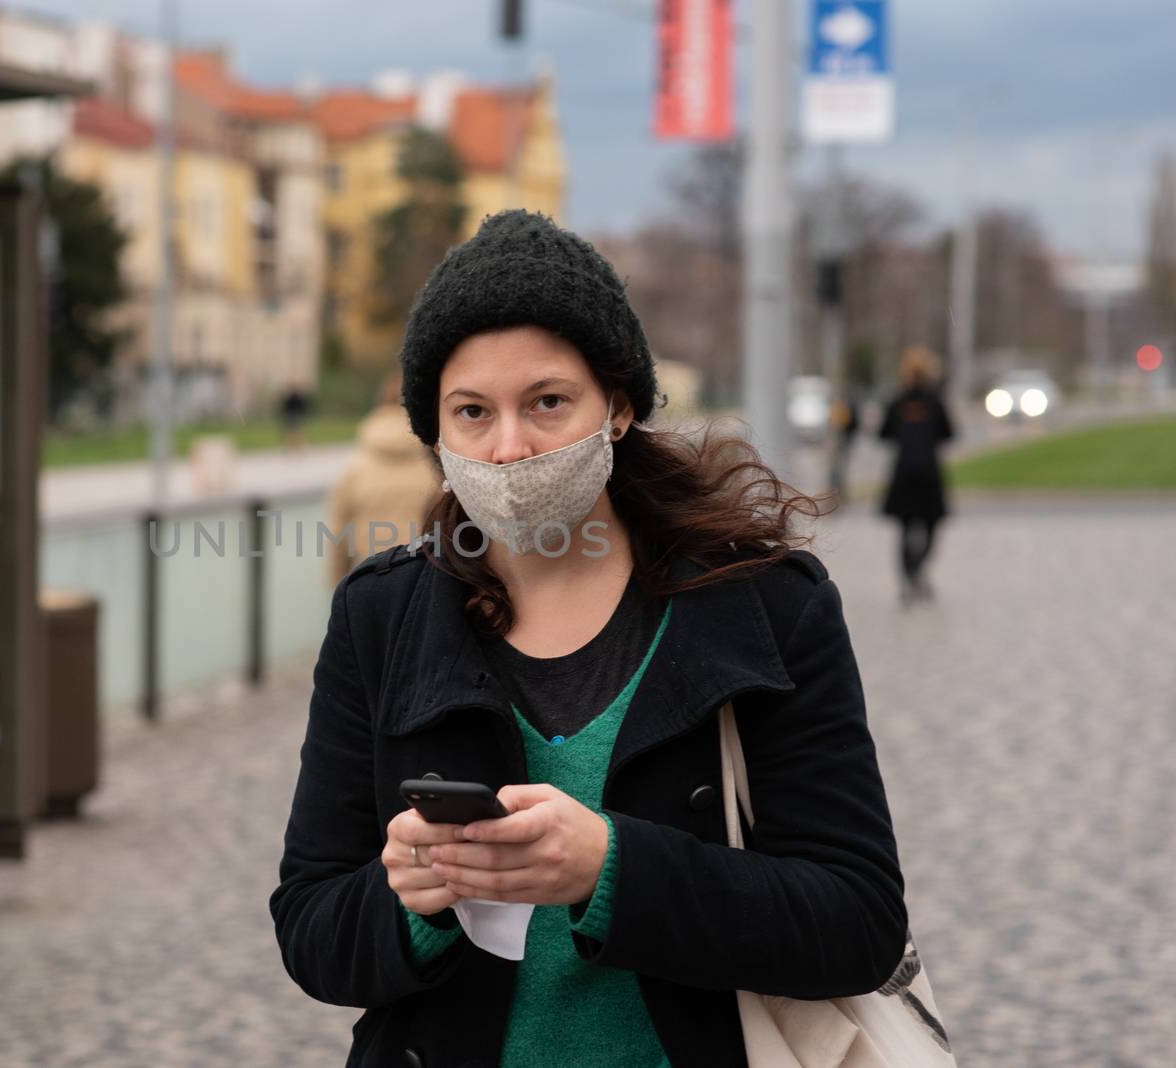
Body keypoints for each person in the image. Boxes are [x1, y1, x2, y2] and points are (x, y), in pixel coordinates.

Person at [270, 211, 910, 1067]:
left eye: (547, 402)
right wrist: (409, 905)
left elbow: (858, 922)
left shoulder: (766, 606)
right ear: (434, 431)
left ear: (616, 406)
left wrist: (613, 871)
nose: (507, 447)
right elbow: (311, 928)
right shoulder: (379, 617)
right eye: (471, 412)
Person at [324, 372, 442, 587]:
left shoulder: (357, 466)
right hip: (424, 577)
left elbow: (338, 532)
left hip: (368, 576)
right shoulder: (435, 466)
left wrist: (337, 585)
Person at [878, 346, 956, 606]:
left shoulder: (897, 401)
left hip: (903, 473)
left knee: (904, 528)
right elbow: (949, 433)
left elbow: (883, 434)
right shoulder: (935, 402)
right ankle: (917, 570)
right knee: (931, 526)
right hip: (929, 474)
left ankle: (908, 576)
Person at [280, 383, 311, 453]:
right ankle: (295, 448)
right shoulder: (297, 397)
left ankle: (295, 448)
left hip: (293, 416)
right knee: (296, 433)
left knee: (294, 433)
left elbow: (285, 408)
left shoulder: (290, 398)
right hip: (295, 416)